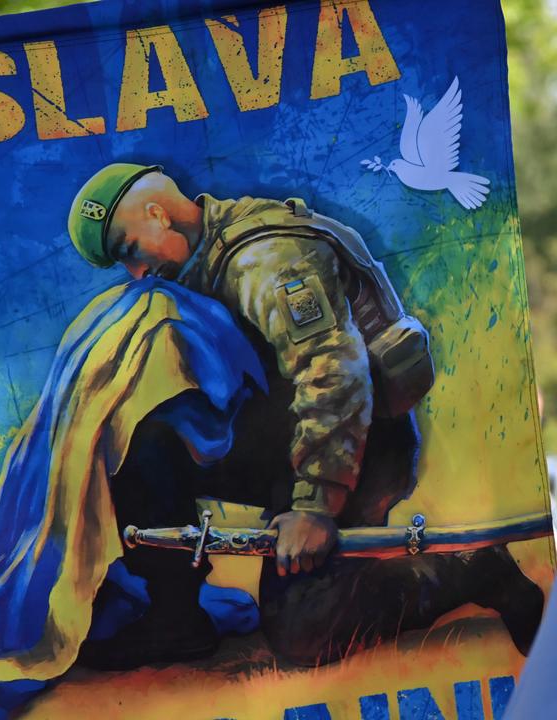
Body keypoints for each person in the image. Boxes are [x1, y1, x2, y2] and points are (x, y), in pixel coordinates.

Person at [66, 162, 544, 669]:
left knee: (304, 633)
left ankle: (471, 570)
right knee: (143, 443)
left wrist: (313, 504)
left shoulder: (266, 260)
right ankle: (176, 619)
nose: (135, 272)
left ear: (159, 215)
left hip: (361, 442)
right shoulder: (204, 252)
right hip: (286, 432)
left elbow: (334, 371)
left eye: (130, 251)